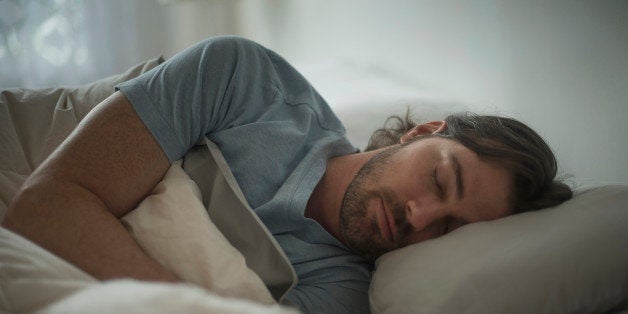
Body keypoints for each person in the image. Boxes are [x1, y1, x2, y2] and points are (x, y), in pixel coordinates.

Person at [1, 36, 572, 313]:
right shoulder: (249, 82)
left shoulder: (343, 292)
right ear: (422, 132)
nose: (419, 216)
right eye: (442, 182)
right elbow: (45, 205)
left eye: (447, 231)